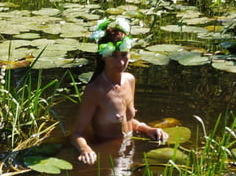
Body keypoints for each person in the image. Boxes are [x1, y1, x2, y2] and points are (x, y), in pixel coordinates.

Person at [71, 16, 168, 165]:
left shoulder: (130, 80)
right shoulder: (95, 90)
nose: (121, 62)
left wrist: (147, 129)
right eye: (113, 56)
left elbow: (127, 120)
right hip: (107, 156)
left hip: (130, 149)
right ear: (103, 57)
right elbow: (77, 134)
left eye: (124, 55)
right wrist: (85, 150)